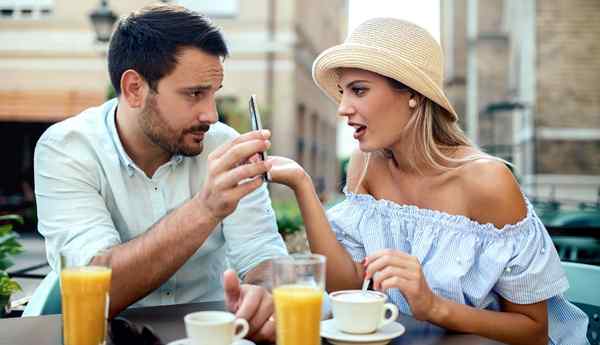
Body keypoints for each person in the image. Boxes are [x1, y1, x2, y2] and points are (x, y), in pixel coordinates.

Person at [268, 18, 589, 344]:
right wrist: (302, 185)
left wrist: (433, 306)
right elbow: (346, 288)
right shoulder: (365, 164)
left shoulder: (488, 182)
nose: (343, 108)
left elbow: (534, 331)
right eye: (343, 92)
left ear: (412, 94)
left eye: (359, 90)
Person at [34, 4, 287, 342]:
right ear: (134, 88)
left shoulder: (224, 146)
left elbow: (263, 256)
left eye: (213, 93)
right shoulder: (66, 148)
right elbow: (93, 286)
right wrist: (205, 208)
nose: (211, 114)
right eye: (194, 93)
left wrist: (263, 293)